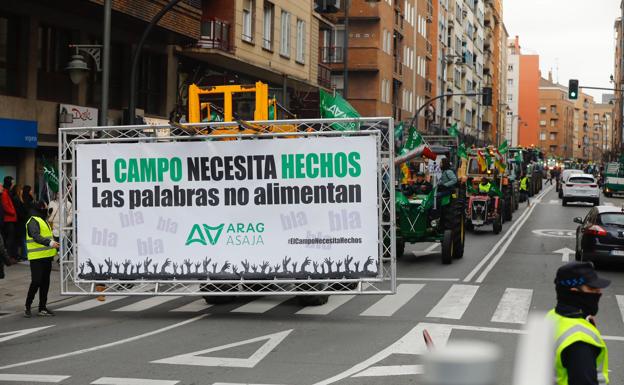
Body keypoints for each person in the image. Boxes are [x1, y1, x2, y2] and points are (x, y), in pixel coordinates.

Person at [548, 262, 610, 385]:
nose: (599, 292)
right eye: (592, 288)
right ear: (574, 292)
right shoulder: (579, 341)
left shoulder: (553, 316)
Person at [24, 201, 59, 317]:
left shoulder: (43, 219)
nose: (46, 207)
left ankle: (42, 307)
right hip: (36, 258)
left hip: (47, 256)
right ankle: (27, 306)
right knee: (36, 281)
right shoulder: (33, 220)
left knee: (45, 283)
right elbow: (35, 236)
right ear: (40, 207)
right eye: (45, 206)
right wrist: (50, 242)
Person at [1, 176, 17, 263]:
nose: (13, 184)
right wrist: (13, 212)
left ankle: (9, 257)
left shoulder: (7, 192)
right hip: (8, 219)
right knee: (9, 239)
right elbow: (5, 205)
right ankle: (8, 257)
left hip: (10, 218)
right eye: (12, 182)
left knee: (9, 239)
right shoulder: (5, 193)